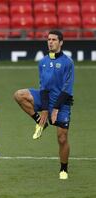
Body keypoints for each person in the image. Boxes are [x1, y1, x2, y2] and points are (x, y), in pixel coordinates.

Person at [14, 30, 74, 180]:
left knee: (62, 138)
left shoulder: (68, 62)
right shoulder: (43, 62)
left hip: (62, 102)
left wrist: (56, 109)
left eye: (54, 39)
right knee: (19, 95)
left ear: (61, 43)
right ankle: (40, 122)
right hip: (45, 98)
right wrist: (45, 110)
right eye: (48, 39)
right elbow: (44, 88)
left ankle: (63, 169)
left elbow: (67, 90)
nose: (50, 42)